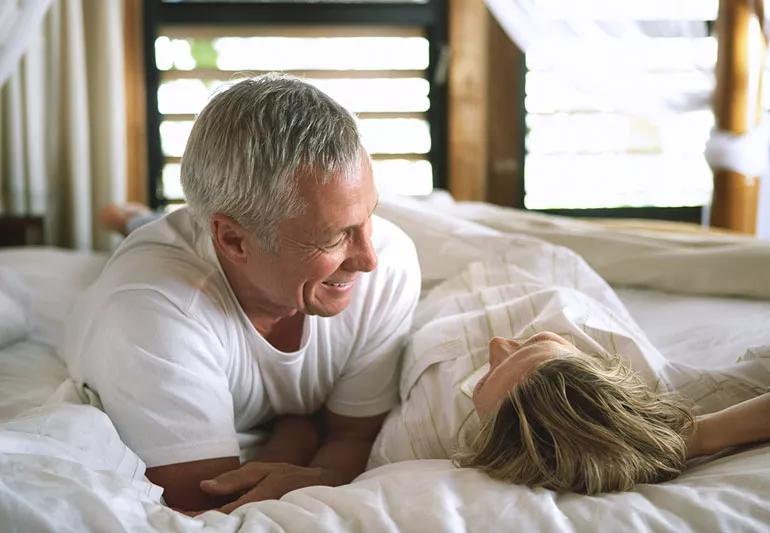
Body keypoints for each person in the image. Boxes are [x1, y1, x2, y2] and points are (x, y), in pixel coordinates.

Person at [62, 74, 421, 513]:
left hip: (223, 241)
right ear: (232, 240)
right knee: (142, 242)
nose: (368, 260)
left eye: (369, 216)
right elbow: (210, 502)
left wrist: (314, 463)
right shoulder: (150, 308)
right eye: (334, 237)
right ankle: (133, 220)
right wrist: (300, 434)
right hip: (167, 268)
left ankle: (140, 217)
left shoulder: (389, 262)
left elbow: (352, 436)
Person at [368, 243, 770, 494]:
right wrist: (693, 437)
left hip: (440, 290)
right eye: (541, 341)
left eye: (487, 381)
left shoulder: (421, 438)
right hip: (536, 261)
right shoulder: (663, 385)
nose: (498, 345)